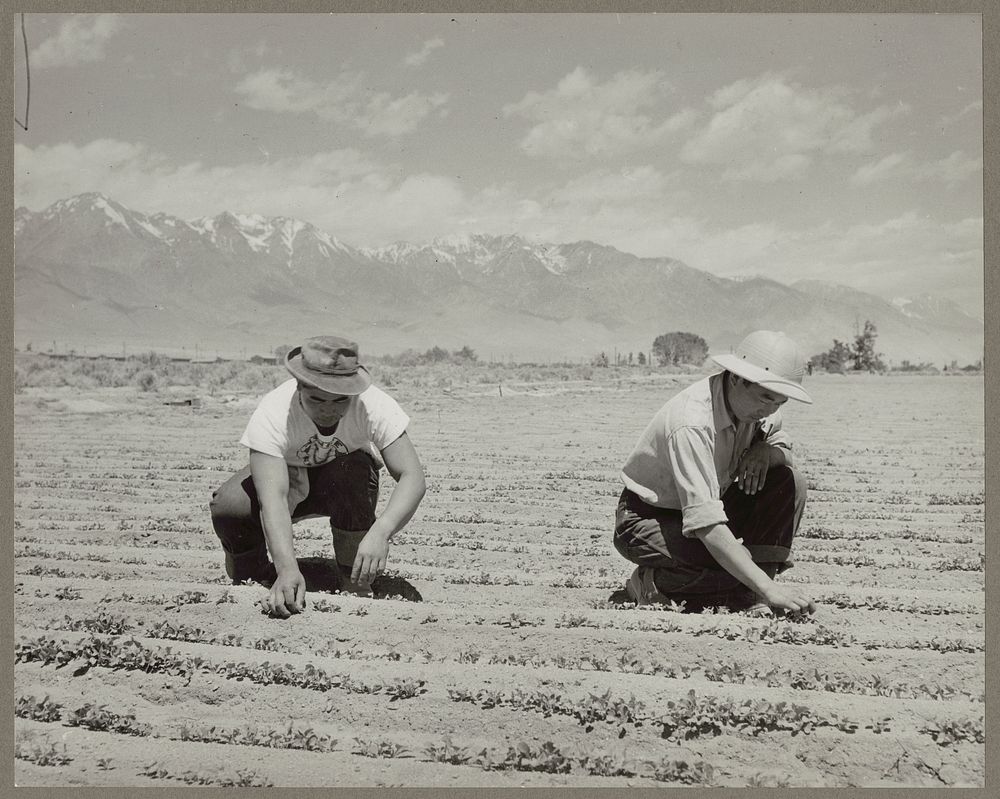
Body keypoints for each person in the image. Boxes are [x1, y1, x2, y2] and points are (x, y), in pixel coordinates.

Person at [210, 336, 426, 617]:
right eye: (317, 399)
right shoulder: (274, 411)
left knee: (353, 469)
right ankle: (254, 576)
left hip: (341, 483)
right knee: (229, 504)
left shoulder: (372, 404)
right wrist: (286, 568)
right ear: (299, 386)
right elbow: (272, 499)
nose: (328, 409)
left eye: (340, 400)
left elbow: (413, 476)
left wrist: (381, 532)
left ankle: (354, 578)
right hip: (286, 482)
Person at [613, 330, 817, 615]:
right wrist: (767, 585)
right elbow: (706, 524)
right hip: (647, 518)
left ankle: (752, 594)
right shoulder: (692, 422)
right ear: (736, 378)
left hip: (706, 506)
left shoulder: (762, 410)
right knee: (732, 563)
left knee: (788, 480)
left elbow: (784, 449)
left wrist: (766, 452)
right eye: (765, 398)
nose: (769, 410)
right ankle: (650, 582)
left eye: (779, 403)